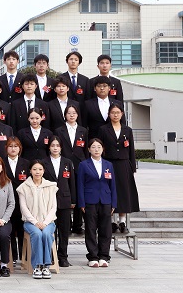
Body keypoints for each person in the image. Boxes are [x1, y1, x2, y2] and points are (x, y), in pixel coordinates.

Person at [98, 103, 139, 233]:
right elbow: (100, 148)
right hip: (108, 163)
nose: (115, 115)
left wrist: (132, 167)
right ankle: (111, 221)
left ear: (122, 114)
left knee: (123, 191)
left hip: (123, 164)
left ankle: (122, 221)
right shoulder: (103, 129)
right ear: (109, 114)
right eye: (113, 112)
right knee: (109, 191)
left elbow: (131, 150)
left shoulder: (127, 130)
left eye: (117, 112)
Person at [77, 138, 117, 268]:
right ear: (89, 149)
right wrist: (82, 203)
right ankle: (93, 257)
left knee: (106, 230)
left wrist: (113, 203)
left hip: (105, 200)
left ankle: (104, 256)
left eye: (99, 147)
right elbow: (80, 185)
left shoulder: (108, 165)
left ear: (102, 149)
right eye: (93, 147)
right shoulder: (84, 165)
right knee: (90, 229)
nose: (96, 149)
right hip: (90, 200)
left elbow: (113, 185)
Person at [16, 160, 58, 279]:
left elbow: (53, 207)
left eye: (40, 169)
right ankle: (37, 266)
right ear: (30, 171)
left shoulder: (51, 186)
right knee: (37, 234)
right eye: (34, 169)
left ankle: (46, 266)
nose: (37, 172)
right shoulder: (23, 187)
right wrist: (35, 222)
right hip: (30, 223)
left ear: (44, 171)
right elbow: (23, 208)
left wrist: (45, 222)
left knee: (46, 234)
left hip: (48, 222)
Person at [41, 136, 76, 267]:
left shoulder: (67, 162)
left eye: (57, 145)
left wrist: (73, 200)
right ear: (49, 147)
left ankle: (63, 256)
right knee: (50, 230)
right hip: (48, 201)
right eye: (52, 145)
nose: (55, 148)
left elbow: (72, 182)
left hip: (65, 200)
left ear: (61, 147)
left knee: (64, 230)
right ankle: (50, 255)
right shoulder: (43, 162)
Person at [53, 104, 88, 234]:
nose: (71, 115)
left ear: (77, 115)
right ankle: (66, 225)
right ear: (65, 115)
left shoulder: (83, 131)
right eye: (69, 113)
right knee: (66, 194)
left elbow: (85, 150)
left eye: (74, 113)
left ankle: (78, 225)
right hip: (64, 165)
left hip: (80, 165)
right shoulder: (59, 130)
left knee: (78, 194)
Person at [4, 137, 29, 265]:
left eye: (16, 146)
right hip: (6, 201)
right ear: (6, 148)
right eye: (10, 146)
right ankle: (12, 256)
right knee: (10, 229)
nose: (13, 149)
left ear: (20, 148)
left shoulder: (26, 163)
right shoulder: (1, 163)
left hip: (22, 201)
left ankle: (24, 256)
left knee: (22, 229)